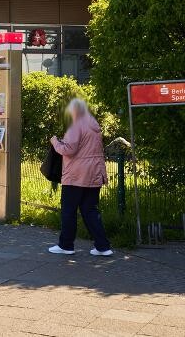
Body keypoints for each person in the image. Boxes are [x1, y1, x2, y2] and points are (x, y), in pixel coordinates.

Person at [49, 98, 113, 256]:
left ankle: (66, 245)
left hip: (76, 175)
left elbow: (69, 149)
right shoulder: (94, 125)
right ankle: (103, 247)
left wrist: (55, 142)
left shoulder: (76, 125)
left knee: (68, 211)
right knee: (90, 210)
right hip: (94, 174)